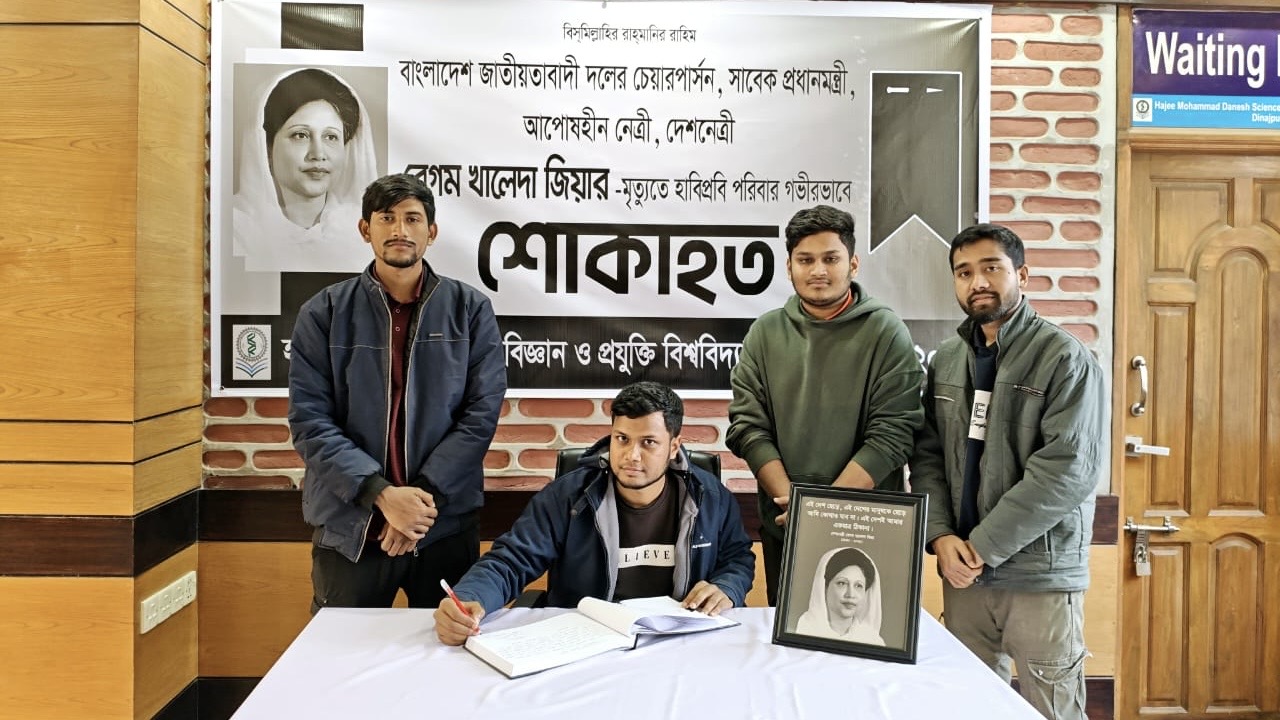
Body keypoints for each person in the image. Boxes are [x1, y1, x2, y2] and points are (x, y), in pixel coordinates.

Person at [909, 223, 1103, 720]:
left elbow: (1066, 471)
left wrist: (981, 546)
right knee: (970, 708)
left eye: (991, 268)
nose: (978, 282)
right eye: (964, 272)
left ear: (1022, 274)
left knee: (1052, 709)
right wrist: (940, 537)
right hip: (964, 576)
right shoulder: (947, 360)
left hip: (1039, 575)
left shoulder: (1064, 357)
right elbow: (927, 455)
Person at [289, 173, 507, 612]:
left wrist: (418, 507)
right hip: (352, 527)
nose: (400, 230)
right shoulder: (324, 312)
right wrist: (383, 496)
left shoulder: (470, 310)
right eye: (387, 218)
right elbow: (311, 422)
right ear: (365, 229)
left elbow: (480, 416)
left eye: (412, 218)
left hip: (443, 526)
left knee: (450, 647)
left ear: (432, 231)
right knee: (344, 652)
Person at [434, 381, 755, 645]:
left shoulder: (710, 497)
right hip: (587, 640)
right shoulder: (568, 497)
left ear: (673, 447)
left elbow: (737, 557)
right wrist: (471, 597)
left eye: (648, 442)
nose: (632, 455)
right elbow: (511, 561)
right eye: (622, 439)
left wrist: (727, 586)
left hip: (678, 641)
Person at [727, 204, 924, 605]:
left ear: (853, 263)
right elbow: (747, 427)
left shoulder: (886, 332)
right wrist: (801, 511)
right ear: (789, 267)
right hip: (786, 522)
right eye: (806, 260)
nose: (818, 270)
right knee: (792, 635)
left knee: (864, 637)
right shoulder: (764, 333)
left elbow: (894, 433)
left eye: (830, 259)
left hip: (867, 526)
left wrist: (822, 513)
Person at [234, 67, 378, 272]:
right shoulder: (234, 230)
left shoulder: (366, 235)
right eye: (300, 135)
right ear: (266, 146)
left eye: (331, 137)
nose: (318, 154)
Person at [795, 547, 885, 645]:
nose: (850, 594)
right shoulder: (803, 629)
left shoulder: (873, 641)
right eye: (842, 583)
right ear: (824, 587)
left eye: (858, 586)